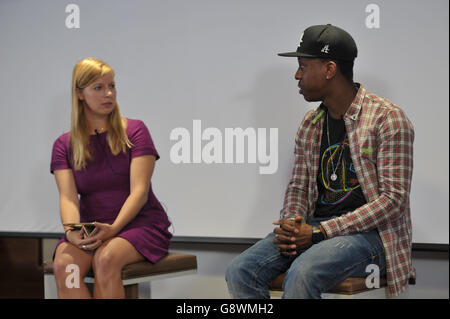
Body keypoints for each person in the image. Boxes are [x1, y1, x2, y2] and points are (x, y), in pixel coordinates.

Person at [226, 24, 415, 298]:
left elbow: (393, 201)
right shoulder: (311, 122)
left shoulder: (388, 119)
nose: (296, 75)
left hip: (374, 237)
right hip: (318, 228)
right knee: (240, 270)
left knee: (304, 272)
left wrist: (320, 232)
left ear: (329, 69)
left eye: (303, 66)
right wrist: (292, 224)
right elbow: (299, 187)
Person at [50, 57, 172, 298]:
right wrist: (72, 232)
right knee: (66, 267)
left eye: (112, 86)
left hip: (139, 224)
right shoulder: (63, 144)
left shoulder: (135, 131)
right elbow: (68, 198)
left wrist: (114, 228)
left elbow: (140, 192)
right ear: (80, 94)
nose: (108, 94)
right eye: (98, 88)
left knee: (106, 259)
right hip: (92, 228)